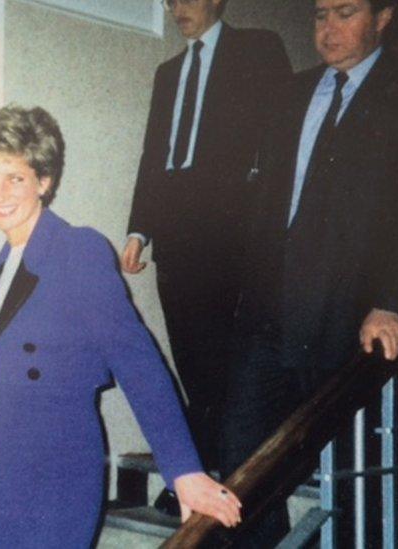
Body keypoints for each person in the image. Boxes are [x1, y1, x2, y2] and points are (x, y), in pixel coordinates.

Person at [222, 0, 398, 546]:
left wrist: (392, 300)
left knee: (354, 468)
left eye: (345, 13)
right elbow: (267, 200)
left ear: (384, 18)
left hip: (350, 318)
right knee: (242, 465)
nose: (328, 29)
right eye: (319, 15)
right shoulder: (292, 92)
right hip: (268, 312)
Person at [0, 105, 243, 548]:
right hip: (0, 464)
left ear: (44, 181)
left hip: (59, 464)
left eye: (14, 176)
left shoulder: (77, 250)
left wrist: (182, 469)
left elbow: (137, 359)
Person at [121, 0, 292, 513]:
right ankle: (199, 471)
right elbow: (156, 152)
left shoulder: (257, 50)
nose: (177, 8)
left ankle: (208, 476)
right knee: (193, 359)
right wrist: (139, 230)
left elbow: (282, 137)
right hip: (174, 231)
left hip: (229, 231)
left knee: (224, 359)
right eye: (170, 0)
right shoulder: (167, 72)